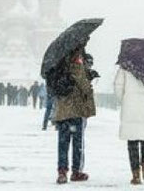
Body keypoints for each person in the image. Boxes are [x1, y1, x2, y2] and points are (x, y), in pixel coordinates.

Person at [51, 47, 96, 184]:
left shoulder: (58, 61)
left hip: (63, 109)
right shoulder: (76, 60)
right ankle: (76, 171)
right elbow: (82, 84)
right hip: (75, 108)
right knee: (77, 143)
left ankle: (62, 171)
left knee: (63, 143)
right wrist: (89, 78)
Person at [114, 66, 144, 185]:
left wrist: (124, 99)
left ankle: (136, 174)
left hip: (130, 106)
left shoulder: (125, 66)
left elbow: (118, 86)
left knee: (132, 141)